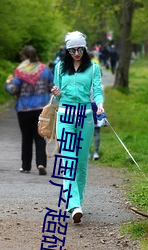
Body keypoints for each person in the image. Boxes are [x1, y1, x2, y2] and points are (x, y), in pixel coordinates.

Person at [51, 31, 104, 223]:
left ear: (85, 48)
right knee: (69, 161)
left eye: (80, 49)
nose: (76, 53)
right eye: (72, 50)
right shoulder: (59, 68)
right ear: (67, 50)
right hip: (64, 116)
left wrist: (99, 104)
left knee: (81, 163)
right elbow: (57, 97)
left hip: (86, 117)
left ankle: (77, 202)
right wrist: (56, 92)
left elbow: (97, 90)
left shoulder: (93, 68)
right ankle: (73, 204)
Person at [5, 45, 54, 175]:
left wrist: (8, 83)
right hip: (41, 109)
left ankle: (26, 166)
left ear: (24, 57)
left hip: (24, 109)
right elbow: (52, 87)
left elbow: (13, 90)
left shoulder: (20, 71)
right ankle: (41, 163)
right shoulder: (45, 70)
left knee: (26, 138)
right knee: (39, 137)